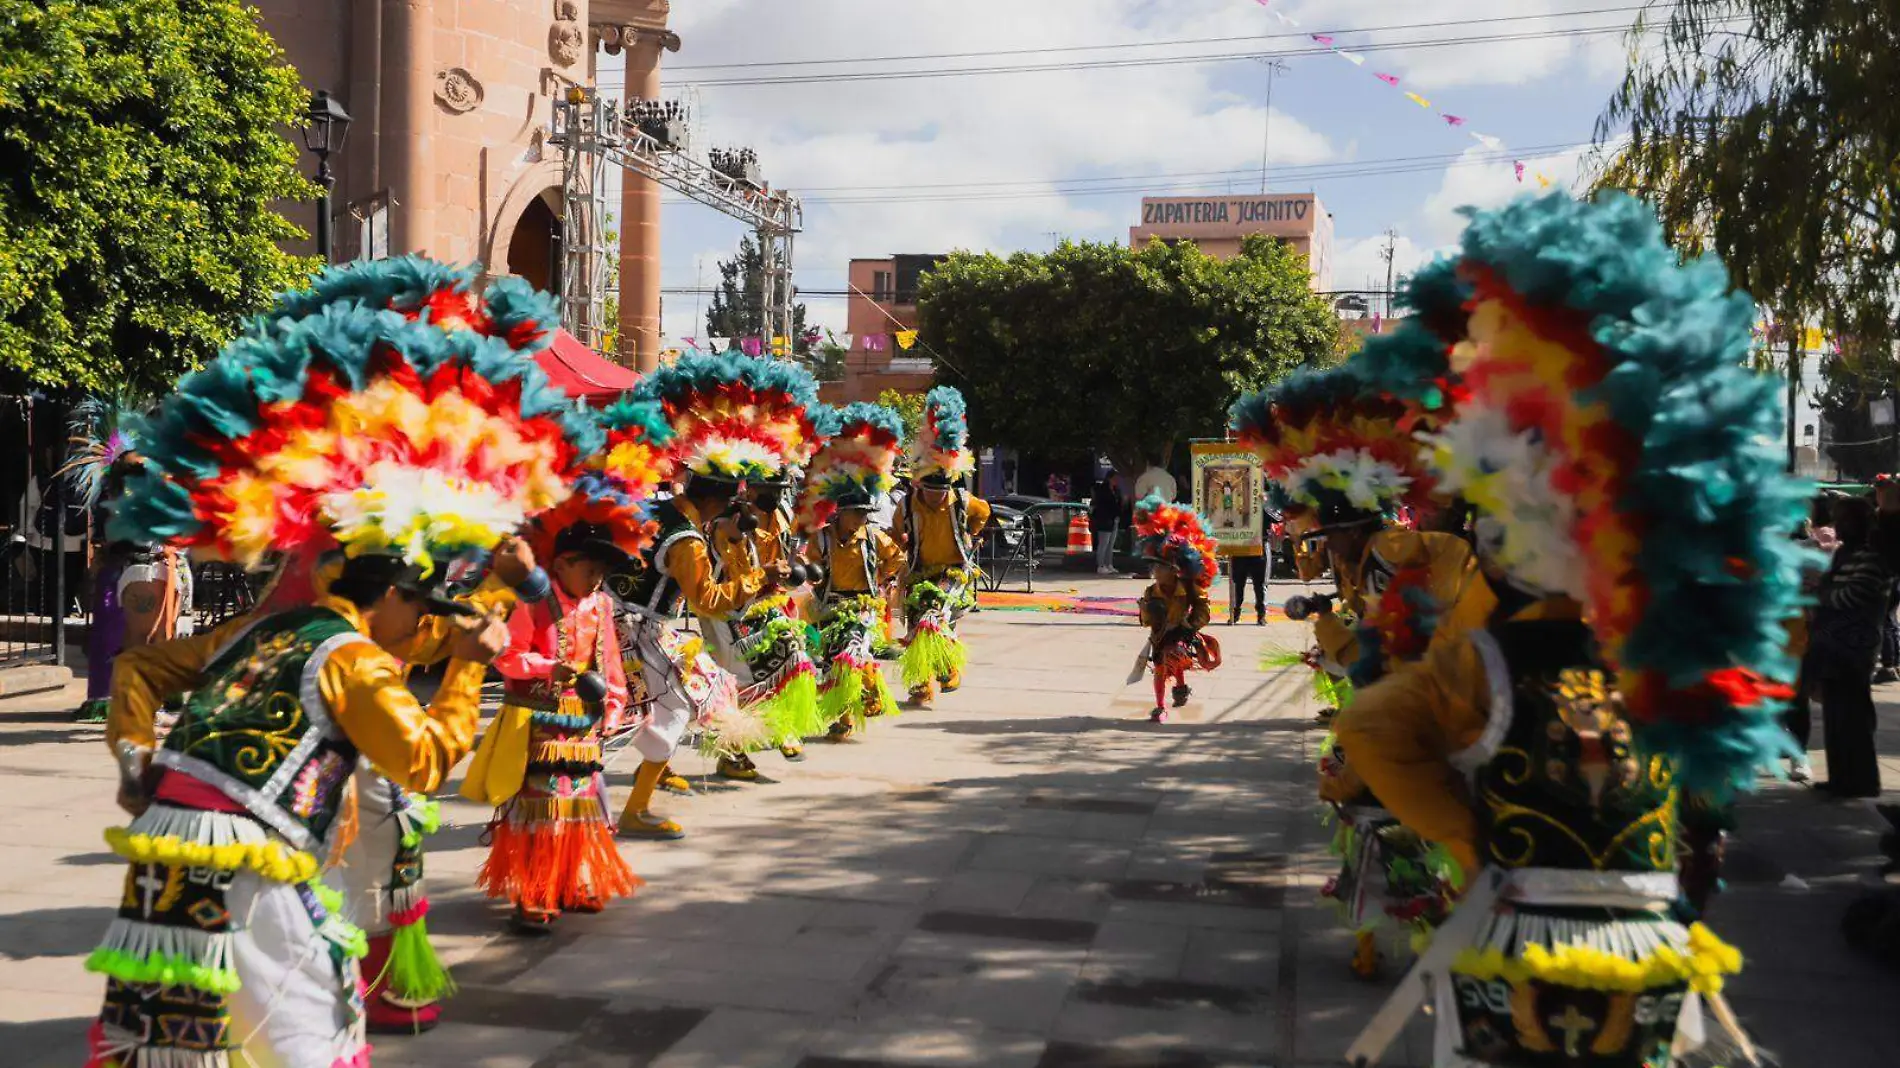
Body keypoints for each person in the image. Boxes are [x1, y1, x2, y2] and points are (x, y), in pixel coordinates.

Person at [87, 255, 594, 1068]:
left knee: (181, 1038)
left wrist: (136, 759)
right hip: (269, 820)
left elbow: (143, 671)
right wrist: (468, 663)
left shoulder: (376, 516)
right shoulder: (342, 515)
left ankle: (383, 974)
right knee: (318, 1019)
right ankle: (374, 980)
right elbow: (427, 752)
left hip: (174, 851)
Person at [1335, 193, 1800, 1067]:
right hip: (1644, 943)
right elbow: (1715, 788)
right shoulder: (1674, 656)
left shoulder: (1489, 655)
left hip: (1514, 937)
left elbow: (1369, 727)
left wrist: (1465, 836)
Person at [615, 353, 822, 826]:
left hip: (625, 625)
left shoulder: (659, 512)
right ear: (720, 499)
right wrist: (760, 580)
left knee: (687, 699)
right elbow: (706, 599)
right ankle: (635, 808)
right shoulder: (688, 539)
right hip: (639, 632)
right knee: (679, 704)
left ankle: (650, 783)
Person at [463, 519, 641, 933]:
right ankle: (532, 891)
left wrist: (614, 707)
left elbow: (610, 663)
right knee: (538, 810)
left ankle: (564, 883)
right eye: (589, 568)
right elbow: (507, 657)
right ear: (561, 564)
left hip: (582, 727)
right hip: (536, 724)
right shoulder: (532, 603)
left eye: (602, 571)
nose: (597, 578)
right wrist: (550, 668)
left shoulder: (601, 605)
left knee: (579, 809)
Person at [797, 403, 908, 740]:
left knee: (850, 656)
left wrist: (886, 582)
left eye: (864, 513)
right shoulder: (822, 539)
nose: (861, 518)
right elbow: (806, 567)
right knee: (832, 664)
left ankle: (847, 712)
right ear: (840, 514)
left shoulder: (873, 538)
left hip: (862, 609)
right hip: (828, 608)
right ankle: (843, 715)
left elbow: (898, 558)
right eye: (856, 513)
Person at [895, 387, 992, 707]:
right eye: (931, 491)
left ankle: (949, 667)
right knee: (916, 627)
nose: (937, 497)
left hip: (953, 572)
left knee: (934, 619)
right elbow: (896, 535)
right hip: (919, 572)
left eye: (942, 492)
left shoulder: (963, 502)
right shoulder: (908, 504)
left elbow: (984, 513)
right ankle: (922, 684)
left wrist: (972, 534)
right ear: (921, 483)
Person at [1809, 493, 1890, 798]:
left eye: (1843, 520)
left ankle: (1861, 780)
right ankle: (1840, 777)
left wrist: (1823, 595)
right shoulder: (1845, 553)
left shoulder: (1870, 556)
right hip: (1832, 645)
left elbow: (1854, 596)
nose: (1838, 526)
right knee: (1835, 716)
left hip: (1854, 648)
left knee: (1852, 716)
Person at [1132, 494, 1221, 723]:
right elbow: (1145, 622)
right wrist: (1146, 610)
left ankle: (1180, 688)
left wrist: (1190, 626)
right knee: (1161, 665)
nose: (1155, 573)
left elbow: (1203, 609)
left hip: (1183, 631)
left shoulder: (1189, 588)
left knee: (1177, 658)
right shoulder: (1152, 592)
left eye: (1160, 569)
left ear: (1173, 570)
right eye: (1154, 568)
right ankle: (1160, 706)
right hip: (1160, 634)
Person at [1226, 506, 1268, 625]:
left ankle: (1261, 615)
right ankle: (1235, 613)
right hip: (1240, 550)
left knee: (1260, 586)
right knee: (1238, 584)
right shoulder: (1236, 507)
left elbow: (1275, 518)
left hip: (1257, 550)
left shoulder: (1261, 505)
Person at [1088, 476, 1123, 575]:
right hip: (1104, 519)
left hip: (1114, 519)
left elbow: (1118, 504)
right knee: (1103, 543)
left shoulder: (1116, 490)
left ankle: (1109, 564)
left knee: (1111, 544)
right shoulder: (1103, 491)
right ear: (1109, 479)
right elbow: (1102, 505)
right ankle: (1101, 565)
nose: (1116, 481)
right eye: (1114, 479)